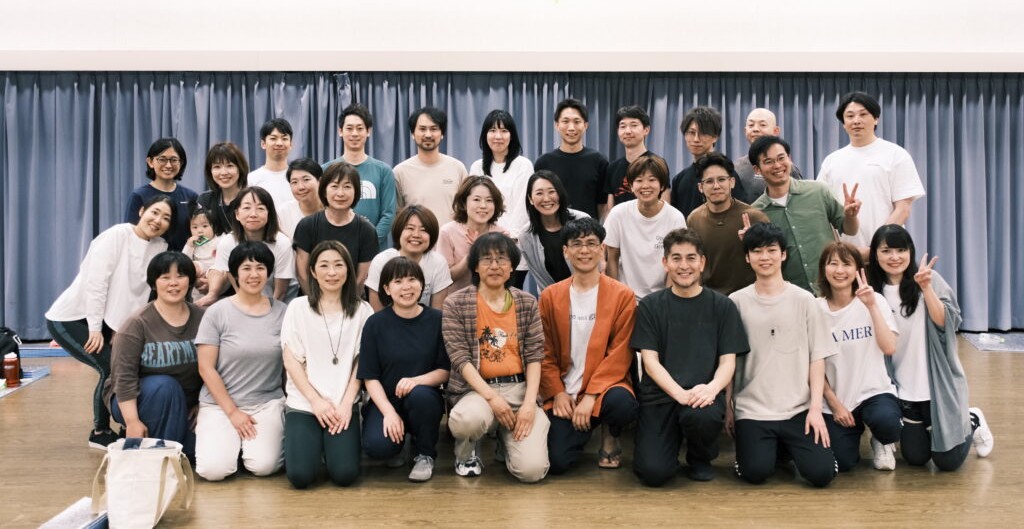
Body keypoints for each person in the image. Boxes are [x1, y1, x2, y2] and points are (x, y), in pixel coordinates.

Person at [46, 195, 174, 449]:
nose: (158, 220)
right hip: (73, 317)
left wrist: (121, 329)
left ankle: (127, 425)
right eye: (155, 212)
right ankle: (100, 431)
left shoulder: (160, 247)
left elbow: (138, 293)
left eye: (166, 218)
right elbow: (97, 284)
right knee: (110, 368)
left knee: (127, 367)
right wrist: (95, 328)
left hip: (108, 322)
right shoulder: (117, 235)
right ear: (141, 211)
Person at [866, 224, 994, 470]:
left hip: (936, 384)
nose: (894, 257)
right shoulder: (872, 290)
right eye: (886, 251)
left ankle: (972, 418)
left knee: (948, 462)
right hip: (902, 388)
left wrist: (926, 289)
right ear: (875, 254)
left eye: (901, 250)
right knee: (915, 458)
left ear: (910, 252)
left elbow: (948, 322)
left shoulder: (928, 278)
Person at [631, 228, 748, 486]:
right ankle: (667, 449)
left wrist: (712, 389)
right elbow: (650, 362)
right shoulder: (650, 306)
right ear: (665, 263)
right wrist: (679, 394)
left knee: (702, 417)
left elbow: (728, 362)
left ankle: (700, 457)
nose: (684, 266)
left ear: (702, 262)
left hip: (702, 396)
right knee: (653, 473)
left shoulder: (722, 306)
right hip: (661, 396)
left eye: (691, 258)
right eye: (676, 258)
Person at [727, 222, 838, 488]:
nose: (764, 257)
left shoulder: (805, 300)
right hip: (752, 410)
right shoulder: (735, 302)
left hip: (798, 409)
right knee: (755, 472)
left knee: (822, 474)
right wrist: (729, 408)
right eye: (757, 251)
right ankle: (772, 450)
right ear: (747, 257)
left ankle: (783, 448)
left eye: (771, 250)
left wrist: (815, 409)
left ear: (783, 254)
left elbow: (817, 358)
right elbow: (729, 360)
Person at [443, 233, 550, 483]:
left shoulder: (526, 302)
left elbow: (535, 355)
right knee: (468, 420)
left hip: (519, 388)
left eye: (501, 259)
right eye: (486, 259)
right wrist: (493, 398)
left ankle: (506, 440)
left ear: (512, 266)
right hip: (476, 390)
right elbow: (460, 358)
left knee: (532, 472)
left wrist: (529, 404)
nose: (494, 266)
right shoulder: (455, 303)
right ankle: (467, 453)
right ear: (475, 267)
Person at [539, 217, 638, 474]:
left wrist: (592, 396)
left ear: (602, 249)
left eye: (592, 243)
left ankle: (609, 434)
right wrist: (557, 392)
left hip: (605, 390)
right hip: (566, 389)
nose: (584, 250)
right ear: (566, 251)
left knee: (622, 405)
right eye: (577, 244)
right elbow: (544, 352)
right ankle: (582, 427)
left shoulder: (622, 295)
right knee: (558, 462)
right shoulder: (550, 296)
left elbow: (620, 352)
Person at [281, 241, 373, 488]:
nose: (331, 272)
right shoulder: (297, 308)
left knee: (344, 474)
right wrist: (315, 401)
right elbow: (291, 360)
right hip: (305, 402)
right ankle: (312, 445)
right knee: (300, 477)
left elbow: (362, 361)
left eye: (338, 265)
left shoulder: (363, 310)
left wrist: (347, 403)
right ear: (312, 271)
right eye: (324, 266)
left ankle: (327, 447)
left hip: (343, 403)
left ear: (348, 270)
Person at [194, 241, 287, 481]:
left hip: (265, 403)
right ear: (234, 273)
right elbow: (206, 368)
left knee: (264, 466)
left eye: (260, 268)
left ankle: (244, 449)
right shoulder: (217, 312)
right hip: (220, 404)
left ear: (269, 272)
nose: (254, 274)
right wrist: (233, 412)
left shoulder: (283, 312)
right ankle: (230, 446)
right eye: (246, 268)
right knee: (213, 471)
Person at [106, 251, 204, 461]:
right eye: (165, 277)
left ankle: (160, 447)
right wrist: (132, 421)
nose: (173, 283)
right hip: (134, 400)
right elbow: (123, 377)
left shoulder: (204, 318)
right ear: (153, 283)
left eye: (180, 276)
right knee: (165, 386)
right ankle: (158, 459)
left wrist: (204, 403)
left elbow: (216, 366)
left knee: (202, 455)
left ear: (190, 281)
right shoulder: (136, 324)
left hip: (186, 404)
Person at [359, 257, 450, 482]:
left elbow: (445, 370)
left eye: (412, 279)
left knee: (420, 397)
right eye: (398, 281)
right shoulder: (375, 323)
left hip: (423, 398)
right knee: (377, 447)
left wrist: (416, 381)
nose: (406, 287)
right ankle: (398, 442)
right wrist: (389, 412)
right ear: (386, 289)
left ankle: (425, 454)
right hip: (386, 399)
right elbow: (370, 376)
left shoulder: (438, 320)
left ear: (422, 284)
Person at [815, 241, 902, 471]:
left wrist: (871, 306)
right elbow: (812, 365)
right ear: (824, 269)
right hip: (836, 398)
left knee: (888, 423)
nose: (839, 270)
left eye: (846, 264)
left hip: (873, 393)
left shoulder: (875, 300)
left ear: (857, 270)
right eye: (833, 264)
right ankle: (854, 432)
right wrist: (835, 404)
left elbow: (889, 347)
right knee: (843, 462)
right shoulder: (815, 309)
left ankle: (881, 440)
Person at [749, 135, 861, 293]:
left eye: (781, 158)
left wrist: (851, 216)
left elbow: (850, 230)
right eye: (768, 161)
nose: (777, 165)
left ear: (789, 158)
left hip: (831, 290)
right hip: (790, 295)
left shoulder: (818, 191)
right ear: (757, 169)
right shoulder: (755, 212)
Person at [818, 92, 926, 252]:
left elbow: (903, 209)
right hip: (844, 255)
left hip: (886, 252)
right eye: (850, 116)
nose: (856, 120)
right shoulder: (831, 160)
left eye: (863, 114)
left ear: (876, 119)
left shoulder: (896, 154)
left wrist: (876, 248)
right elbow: (823, 210)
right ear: (843, 124)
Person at [604, 155, 687, 300]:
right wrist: (616, 298)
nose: (645, 185)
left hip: (661, 298)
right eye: (639, 180)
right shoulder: (618, 214)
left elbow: (676, 262)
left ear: (662, 185)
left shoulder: (675, 218)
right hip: (625, 297)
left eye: (652, 180)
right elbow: (612, 258)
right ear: (631, 186)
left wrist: (667, 300)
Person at [195, 187, 294, 307]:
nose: (253, 214)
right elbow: (238, 289)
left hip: (279, 305)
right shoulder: (228, 242)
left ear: (269, 213)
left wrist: (267, 312)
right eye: (247, 208)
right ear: (237, 214)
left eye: (260, 208)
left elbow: (280, 292)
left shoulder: (282, 243)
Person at [685, 152, 769, 295]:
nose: (716, 186)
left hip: (748, 296)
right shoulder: (694, 219)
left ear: (732, 182)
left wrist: (752, 242)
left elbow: (770, 260)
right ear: (700, 187)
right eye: (709, 181)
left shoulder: (755, 217)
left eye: (722, 179)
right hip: (710, 298)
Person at [470, 110, 534, 287]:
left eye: (504, 131)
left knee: (510, 294)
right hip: (483, 245)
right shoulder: (477, 167)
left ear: (512, 136)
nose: (498, 136)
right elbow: (473, 207)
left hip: (513, 245)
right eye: (492, 130)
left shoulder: (523, 165)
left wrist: (507, 241)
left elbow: (523, 208)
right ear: (485, 135)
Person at [293, 162, 379, 293]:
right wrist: (316, 301)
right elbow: (302, 274)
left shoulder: (367, 230)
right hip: (311, 298)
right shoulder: (307, 225)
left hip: (351, 300)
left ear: (356, 192)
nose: (340, 193)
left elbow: (361, 278)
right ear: (324, 190)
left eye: (347, 187)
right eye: (334, 186)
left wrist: (346, 302)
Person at [322, 104, 398, 248]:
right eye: (349, 128)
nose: (355, 133)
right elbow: (321, 209)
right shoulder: (326, 170)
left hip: (374, 251)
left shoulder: (384, 171)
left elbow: (388, 214)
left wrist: (368, 242)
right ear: (340, 131)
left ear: (368, 131)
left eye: (360, 128)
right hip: (336, 249)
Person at [366, 205, 452, 312]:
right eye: (410, 228)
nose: (416, 235)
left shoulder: (438, 262)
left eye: (423, 230)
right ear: (399, 231)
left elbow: (437, 312)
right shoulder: (381, 261)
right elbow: (376, 313)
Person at [534, 98, 609, 219]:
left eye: (577, 121)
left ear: (585, 125)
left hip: (588, 228)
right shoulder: (543, 162)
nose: (571, 128)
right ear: (556, 125)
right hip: (554, 228)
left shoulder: (599, 161)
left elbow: (602, 204)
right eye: (565, 121)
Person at [393, 106, 468, 225]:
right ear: (412, 133)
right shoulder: (399, 172)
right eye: (422, 129)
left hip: (452, 237)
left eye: (434, 129)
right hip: (416, 237)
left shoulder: (458, 168)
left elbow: (467, 211)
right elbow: (397, 218)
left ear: (442, 134)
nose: (428, 134)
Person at [519, 171, 590, 292]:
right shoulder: (526, 236)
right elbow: (539, 277)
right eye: (539, 193)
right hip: (552, 297)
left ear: (560, 194)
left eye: (552, 192)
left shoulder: (583, 220)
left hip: (588, 293)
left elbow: (596, 264)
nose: (546, 199)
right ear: (530, 199)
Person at [437, 176, 510, 292]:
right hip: (456, 300)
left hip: (492, 298)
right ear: (464, 203)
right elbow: (444, 279)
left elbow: (505, 276)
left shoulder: (502, 235)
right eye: (476, 200)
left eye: (489, 200)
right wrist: (471, 254)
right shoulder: (447, 232)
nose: (483, 206)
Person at [670, 106, 746, 217]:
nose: (696, 139)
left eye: (703, 133)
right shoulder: (679, 179)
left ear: (715, 136)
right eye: (691, 133)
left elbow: (741, 212)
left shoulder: (728, 174)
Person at [124, 138, 198, 251]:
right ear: (150, 162)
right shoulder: (138, 196)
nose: (168, 165)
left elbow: (200, 232)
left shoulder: (191, 196)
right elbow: (131, 235)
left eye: (174, 160)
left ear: (181, 163)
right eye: (162, 159)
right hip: (149, 259)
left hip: (185, 259)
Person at [733, 108, 804, 203]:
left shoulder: (786, 167)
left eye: (762, 125)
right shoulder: (737, 167)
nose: (755, 129)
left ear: (776, 131)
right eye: (751, 125)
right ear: (745, 131)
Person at [605, 105, 664, 208]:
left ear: (646, 130)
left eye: (634, 125)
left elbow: (665, 204)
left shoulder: (657, 163)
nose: (628, 131)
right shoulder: (612, 168)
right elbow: (610, 209)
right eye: (623, 126)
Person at [196, 142, 249, 236]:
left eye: (230, 166)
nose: (223, 172)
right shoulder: (204, 200)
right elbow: (199, 236)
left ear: (240, 168)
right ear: (210, 171)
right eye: (217, 167)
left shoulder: (251, 198)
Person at [247, 118, 295, 210]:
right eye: (273, 138)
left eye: (284, 138)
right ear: (263, 144)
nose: (279, 143)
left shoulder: (297, 179)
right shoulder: (251, 180)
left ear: (291, 144)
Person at [277, 158, 324, 240]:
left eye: (306, 180)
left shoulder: (334, 209)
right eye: (294, 182)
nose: (301, 187)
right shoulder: (282, 214)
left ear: (320, 181)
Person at [181, 205, 220, 295]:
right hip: (199, 274)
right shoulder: (193, 244)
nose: (200, 231)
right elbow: (183, 260)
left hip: (215, 272)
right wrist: (189, 245)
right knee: (191, 266)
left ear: (213, 227)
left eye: (205, 226)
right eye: (195, 227)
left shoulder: (219, 241)